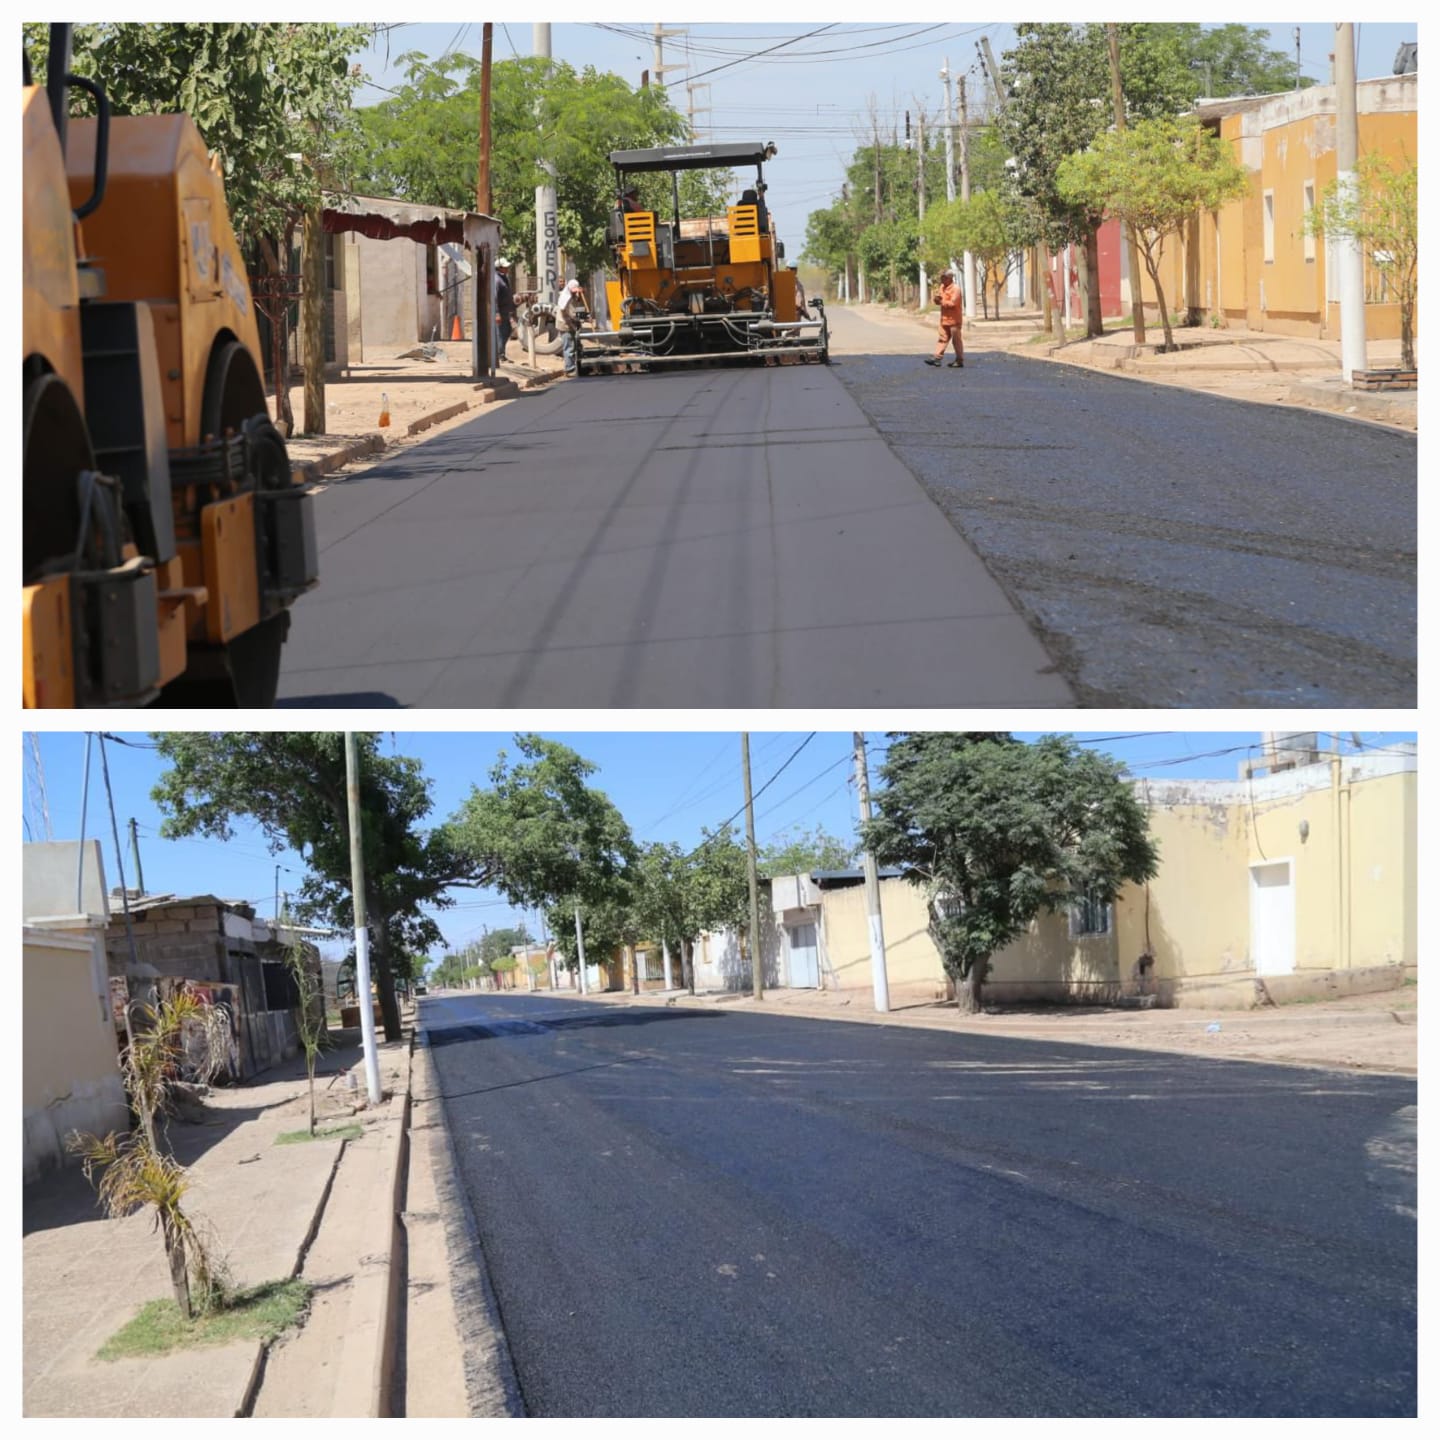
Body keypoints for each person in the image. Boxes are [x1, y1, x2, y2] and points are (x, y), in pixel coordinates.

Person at [925, 269, 964, 368]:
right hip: (944, 319)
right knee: (942, 338)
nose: (942, 280)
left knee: (956, 341)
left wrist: (942, 302)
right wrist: (936, 299)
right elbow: (939, 297)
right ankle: (937, 358)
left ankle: (959, 361)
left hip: (954, 320)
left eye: (944, 278)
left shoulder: (956, 289)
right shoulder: (942, 287)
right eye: (941, 278)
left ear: (950, 278)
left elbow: (952, 303)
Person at [558, 277, 587, 376]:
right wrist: (576, 322)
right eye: (574, 291)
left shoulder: (571, 295)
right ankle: (569, 369)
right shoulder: (566, 298)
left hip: (571, 323)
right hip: (565, 325)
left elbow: (577, 302)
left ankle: (574, 366)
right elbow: (570, 314)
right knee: (569, 348)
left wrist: (579, 294)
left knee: (575, 346)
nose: (575, 293)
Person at [495, 257, 516, 362]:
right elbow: (494, 297)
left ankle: (501, 352)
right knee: (500, 333)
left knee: (507, 331)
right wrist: (496, 313)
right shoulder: (496, 280)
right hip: (500, 311)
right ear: (499, 268)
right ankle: (499, 354)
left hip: (505, 311)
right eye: (505, 267)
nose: (507, 269)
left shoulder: (504, 278)